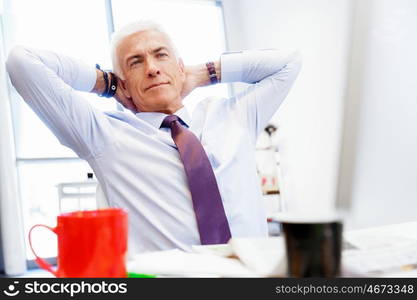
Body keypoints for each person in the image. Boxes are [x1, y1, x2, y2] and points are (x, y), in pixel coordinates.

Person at [6, 20, 302, 254]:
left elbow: (289, 63)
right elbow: (22, 62)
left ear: (179, 65)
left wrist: (202, 73)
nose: (152, 68)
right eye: (135, 62)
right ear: (124, 82)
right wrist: (105, 83)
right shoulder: (104, 135)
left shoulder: (233, 116)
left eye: (161, 55)